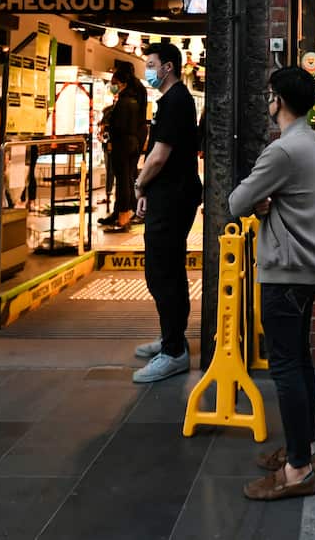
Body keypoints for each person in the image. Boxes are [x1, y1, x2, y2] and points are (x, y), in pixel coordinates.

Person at [229, 66, 315, 501]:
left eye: (270, 95)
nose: (267, 102)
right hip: (307, 268)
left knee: (286, 367)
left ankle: (297, 469)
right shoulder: (311, 141)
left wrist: (261, 201)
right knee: (301, 361)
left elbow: (236, 202)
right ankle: (303, 447)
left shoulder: (283, 151)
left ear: (279, 101)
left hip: (286, 270)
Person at [132, 42, 202, 384]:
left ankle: (174, 351)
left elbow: (159, 156)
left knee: (162, 272)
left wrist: (139, 185)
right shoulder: (171, 102)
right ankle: (172, 338)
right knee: (166, 269)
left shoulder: (177, 101)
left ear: (168, 67)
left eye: (150, 63)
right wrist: (149, 190)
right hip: (167, 194)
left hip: (174, 196)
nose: (147, 69)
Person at [100, 65, 144, 232]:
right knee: (126, 180)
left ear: (123, 83)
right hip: (132, 144)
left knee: (122, 182)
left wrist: (109, 134)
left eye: (115, 82)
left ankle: (123, 217)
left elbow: (118, 126)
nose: (113, 86)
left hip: (122, 145)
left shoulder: (123, 102)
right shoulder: (134, 100)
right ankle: (121, 214)